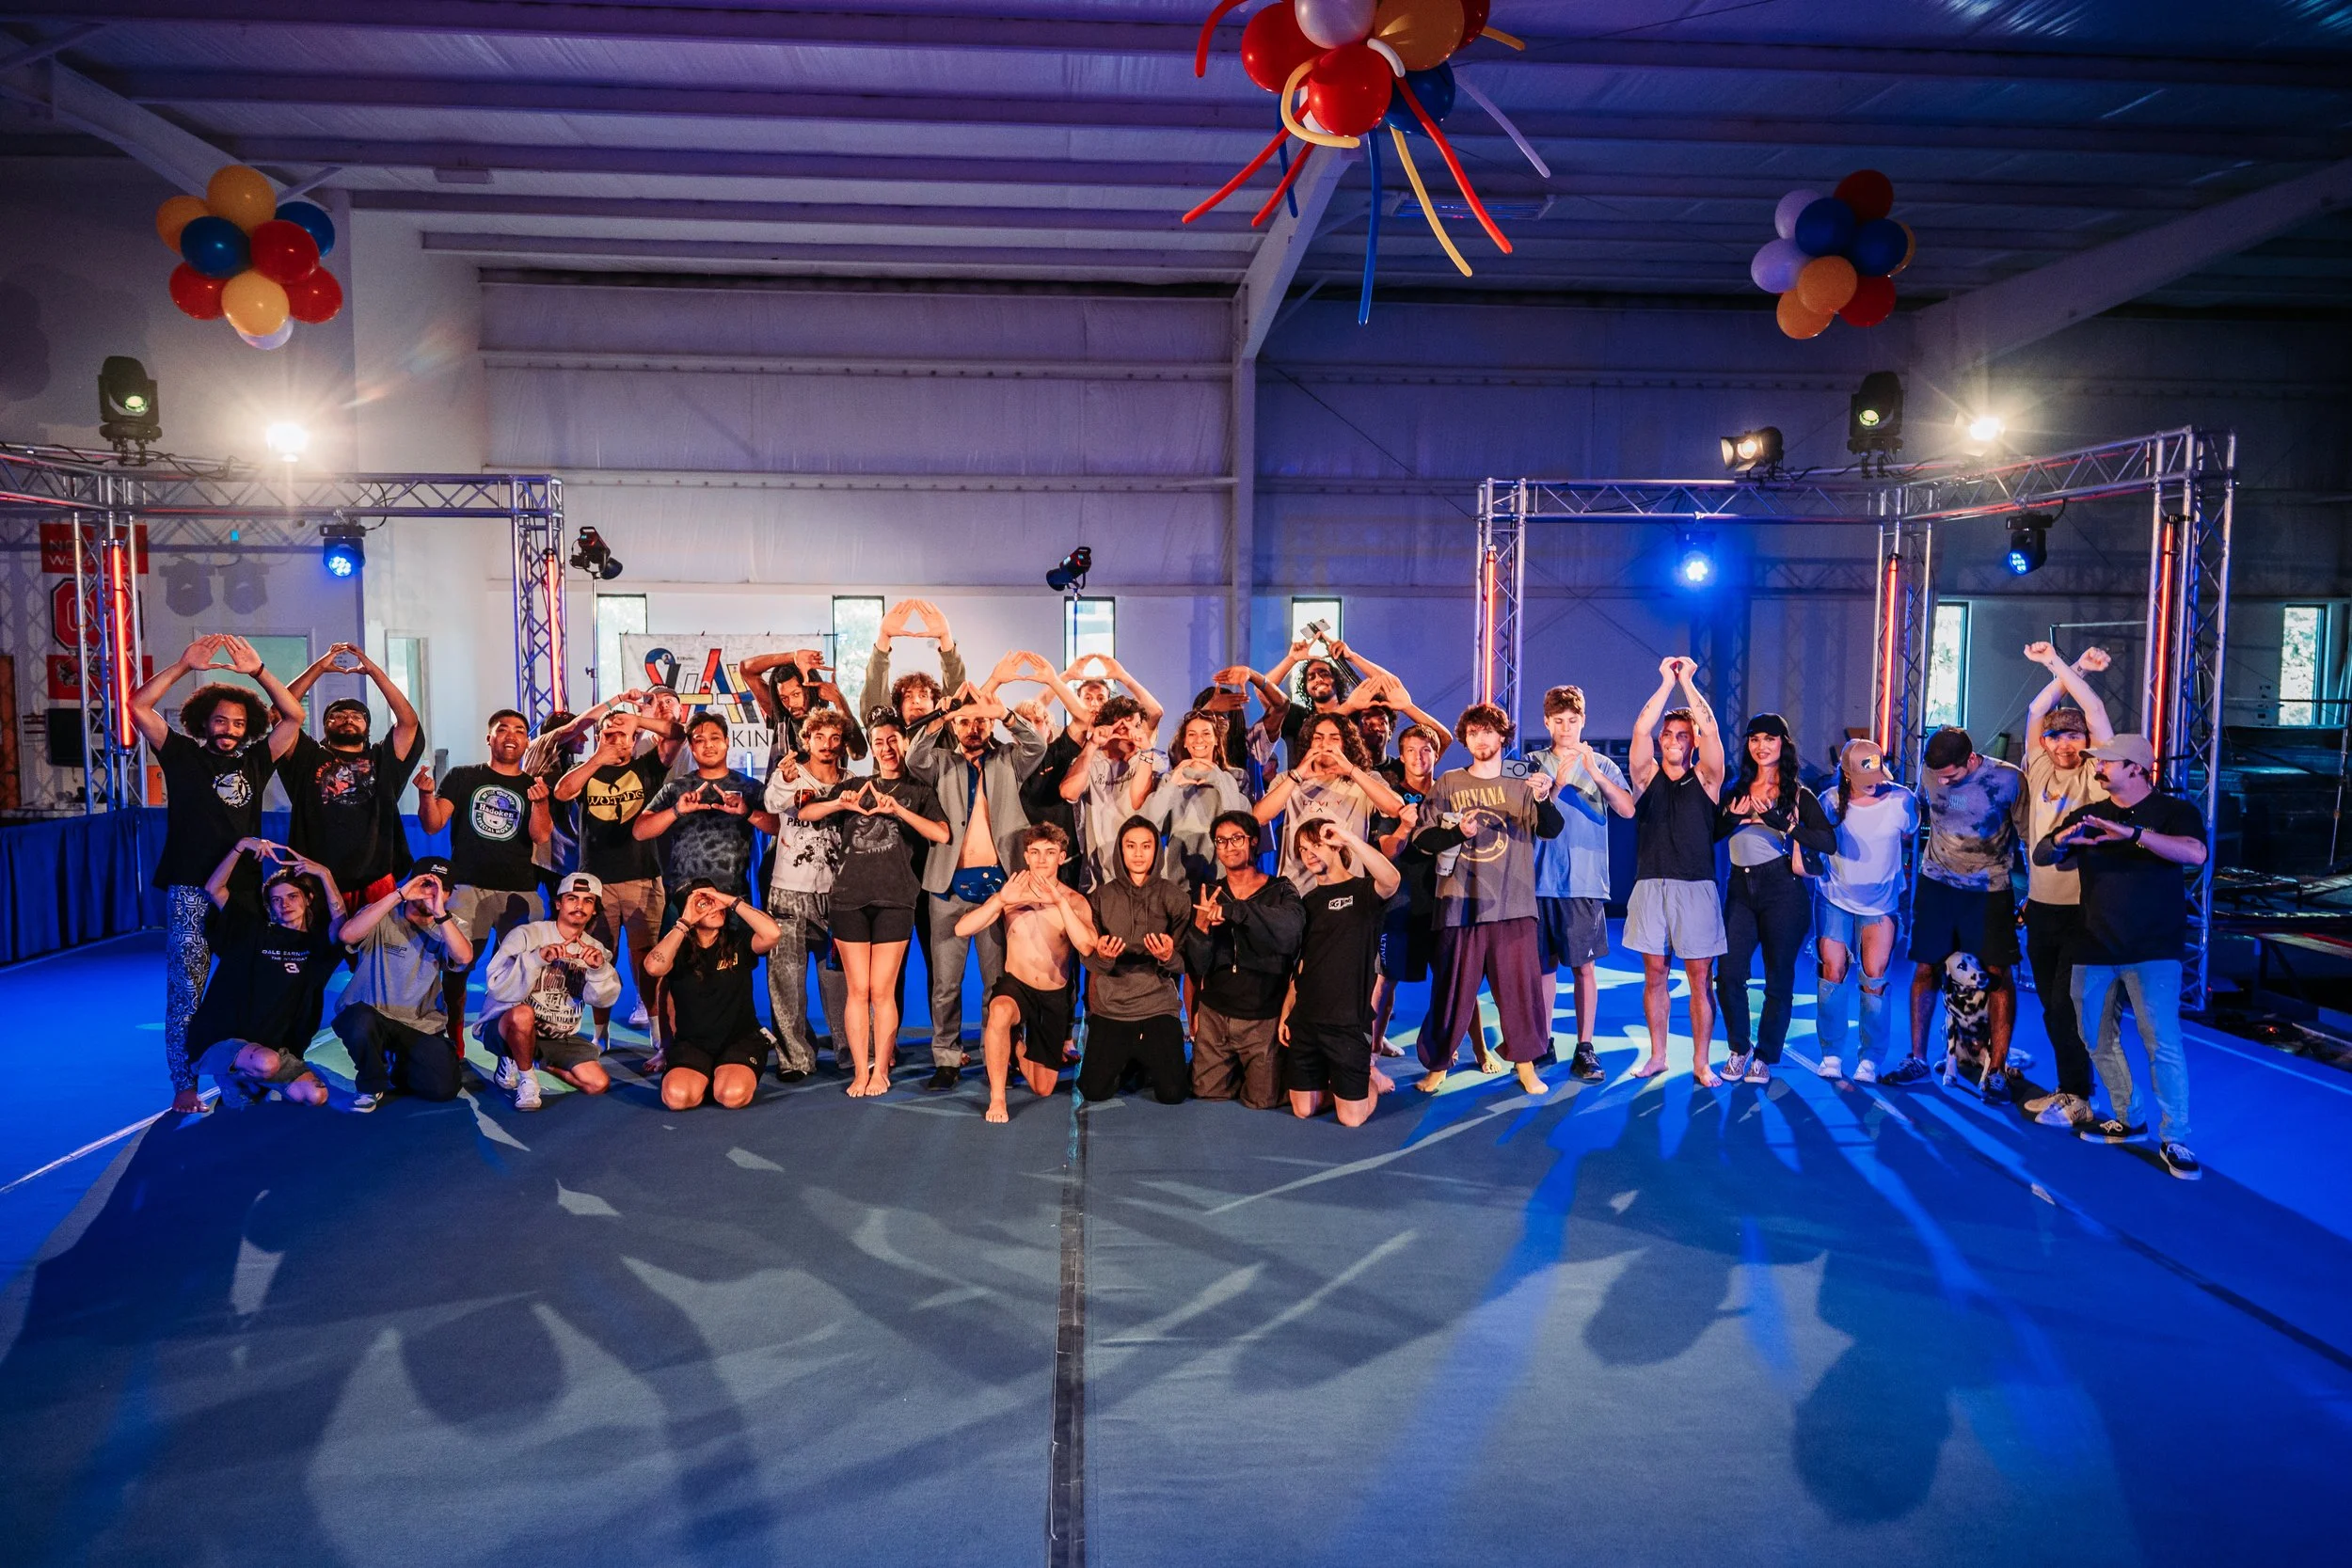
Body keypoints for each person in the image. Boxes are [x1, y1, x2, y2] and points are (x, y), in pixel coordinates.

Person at [130, 633, 308, 1114]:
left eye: (239, 722)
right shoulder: (181, 753)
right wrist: (184, 665)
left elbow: (294, 716)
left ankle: (240, 1072)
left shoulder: (256, 760)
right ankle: (185, 1083)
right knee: (186, 990)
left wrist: (259, 672)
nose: (229, 729)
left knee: (243, 987)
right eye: (221, 720)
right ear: (204, 722)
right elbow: (139, 706)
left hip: (243, 893)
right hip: (191, 891)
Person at [2032, 734, 2208, 1179]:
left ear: (2136, 768)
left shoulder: (2173, 811)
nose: (2098, 767)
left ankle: (2176, 1137)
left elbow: (2195, 853)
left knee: (2161, 1043)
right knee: (2094, 1038)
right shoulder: (2091, 814)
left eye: (2107, 762)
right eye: (2098, 761)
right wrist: (2066, 838)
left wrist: (2133, 834)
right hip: (2093, 945)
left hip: (2154, 949)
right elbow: (2043, 853)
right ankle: (2129, 1118)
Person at [905, 657, 1057, 1089]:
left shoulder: (1009, 759)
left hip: (1000, 886)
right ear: (955, 726)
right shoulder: (940, 763)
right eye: (966, 722)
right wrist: (941, 714)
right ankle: (947, 1058)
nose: (973, 728)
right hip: (947, 887)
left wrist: (1003, 713)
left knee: (997, 982)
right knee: (946, 983)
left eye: (980, 721)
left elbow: (1037, 745)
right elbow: (914, 756)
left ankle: (999, 1054)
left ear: (989, 724)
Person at [1409, 703, 1565, 1099]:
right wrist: (1457, 834)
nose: (1481, 739)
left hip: (1514, 903)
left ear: (1503, 736)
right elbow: (1423, 840)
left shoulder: (1523, 778)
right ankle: (1438, 1065)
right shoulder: (1448, 783)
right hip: (1458, 903)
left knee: (1520, 992)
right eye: (1473, 732)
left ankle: (1525, 1065)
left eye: (1488, 731)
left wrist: (1544, 797)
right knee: (1450, 992)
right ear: (1465, 739)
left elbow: (1552, 829)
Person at [800, 734, 950, 1095]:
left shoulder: (918, 790)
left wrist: (898, 810)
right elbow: (806, 813)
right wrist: (839, 804)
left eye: (894, 740)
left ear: (905, 744)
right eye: (880, 742)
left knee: (882, 991)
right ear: (872, 747)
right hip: (848, 899)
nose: (887, 748)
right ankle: (860, 1070)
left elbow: (942, 834)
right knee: (858, 989)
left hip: (896, 899)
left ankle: (881, 1070)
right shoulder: (853, 785)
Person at [2014, 642, 2116, 1128]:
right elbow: (2037, 709)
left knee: (2065, 1005)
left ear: (2087, 741)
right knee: (2051, 1009)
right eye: (2055, 737)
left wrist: (2058, 663)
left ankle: (2079, 1095)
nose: (2063, 746)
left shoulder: (2097, 774)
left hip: (2082, 911)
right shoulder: (2038, 769)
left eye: (2073, 737)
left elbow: (2093, 710)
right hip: (2041, 908)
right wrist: (2075, 668)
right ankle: (2068, 1089)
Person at [1898, 725, 2026, 1086]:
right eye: (1937, 775)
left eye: (1951, 776)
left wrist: (2033, 892)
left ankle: (1996, 1070)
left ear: (1971, 759)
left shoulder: (2008, 779)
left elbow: (2030, 836)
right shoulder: (1930, 772)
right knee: (1926, 968)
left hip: (1989, 889)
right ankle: (1917, 1058)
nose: (1943, 782)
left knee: (1997, 974)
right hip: (1936, 885)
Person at [1713, 714, 1837, 1086]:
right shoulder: (1735, 789)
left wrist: (1785, 824)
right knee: (1729, 973)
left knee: (1778, 978)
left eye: (1769, 739)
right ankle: (1739, 1048)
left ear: (1783, 743)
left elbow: (1828, 842)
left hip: (1782, 887)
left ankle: (1765, 1055)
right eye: (1754, 739)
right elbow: (1712, 833)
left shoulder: (1798, 794)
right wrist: (1731, 819)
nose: (1761, 746)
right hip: (1740, 886)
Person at [415, 708, 552, 1044]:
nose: (511, 735)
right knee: (457, 966)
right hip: (467, 887)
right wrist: (425, 795)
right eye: (502, 729)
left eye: (519, 730)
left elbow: (541, 835)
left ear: (527, 741)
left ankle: (507, 1039)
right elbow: (433, 824)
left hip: (519, 890)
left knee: (517, 972)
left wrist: (542, 803)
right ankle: (453, 1035)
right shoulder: (463, 777)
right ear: (489, 738)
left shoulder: (533, 787)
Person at [1625, 656, 1729, 1083]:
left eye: (1682, 735)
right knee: (1655, 975)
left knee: (1700, 978)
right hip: (1650, 885)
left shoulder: (1707, 778)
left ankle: (1701, 1062)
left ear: (1693, 742)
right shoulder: (1645, 776)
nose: (1672, 740)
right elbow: (1640, 730)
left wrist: (1687, 680)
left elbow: (1712, 731)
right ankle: (1659, 1056)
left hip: (1696, 886)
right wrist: (1665, 683)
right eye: (1668, 734)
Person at [953, 824, 1100, 1123]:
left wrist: (1059, 903)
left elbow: (1087, 946)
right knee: (999, 1012)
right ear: (1026, 856)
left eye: (1050, 852)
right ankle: (997, 1098)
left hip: (1053, 993)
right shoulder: (1011, 894)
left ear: (1062, 857)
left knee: (1042, 1088)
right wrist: (1000, 900)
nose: (1042, 859)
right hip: (1016, 985)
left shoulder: (1074, 901)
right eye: (1035, 852)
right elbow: (961, 929)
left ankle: (1017, 1043)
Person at [186, 837, 345, 1110]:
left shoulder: (317, 946)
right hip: (222, 1038)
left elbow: (341, 924)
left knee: (315, 1096)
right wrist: (240, 846)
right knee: (267, 1063)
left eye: (292, 896)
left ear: (308, 899)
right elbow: (215, 889)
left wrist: (325, 874)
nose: (285, 904)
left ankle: (251, 1079)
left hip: (276, 1048)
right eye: (276, 900)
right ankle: (231, 1074)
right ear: (270, 906)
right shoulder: (253, 931)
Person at [1525, 686, 1634, 1083]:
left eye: (1572, 720)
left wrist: (1593, 773)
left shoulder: (1602, 763)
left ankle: (1585, 1047)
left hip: (1585, 882)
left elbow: (1627, 809)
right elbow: (1527, 817)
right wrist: (1557, 784)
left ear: (1583, 721)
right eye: (1558, 721)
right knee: (1544, 968)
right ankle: (1543, 1040)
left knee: (1584, 968)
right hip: (1539, 880)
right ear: (1546, 722)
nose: (1566, 727)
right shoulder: (1533, 763)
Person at [555, 706, 670, 1049]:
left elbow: (676, 733)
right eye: (609, 733)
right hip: (596, 882)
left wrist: (639, 721)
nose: (617, 739)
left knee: (646, 958)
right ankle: (600, 1032)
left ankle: (656, 1027)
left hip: (642, 877)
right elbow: (562, 792)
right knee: (598, 958)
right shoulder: (585, 770)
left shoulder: (646, 767)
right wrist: (599, 758)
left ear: (634, 739)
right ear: (597, 737)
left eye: (624, 733)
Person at [278, 641, 425, 904]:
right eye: (338, 715)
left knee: (377, 934)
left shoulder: (382, 759)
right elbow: (279, 713)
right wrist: (319, 668)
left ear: (367, 727)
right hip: (313, 878)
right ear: (325, 726)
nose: (348, 719)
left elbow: (408, 722)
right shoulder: (307, 756)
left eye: (357, 716)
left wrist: (374, 672)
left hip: (375, 878)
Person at [1280, 817, 1403, 1125]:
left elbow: (1392, 880)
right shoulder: (1308, 902)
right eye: (1302, 849)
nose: (1309, 853)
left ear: (1336, 846)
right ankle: (1338, 1081)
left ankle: (1370, 1079)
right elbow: (1303, 963)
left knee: (1351, 1119)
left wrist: (1349, 837)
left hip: (1348, 1023)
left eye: (1316, 845)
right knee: (1303, 1111)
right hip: (1307, 1020)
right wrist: (1287, 1010)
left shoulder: (1363, 892)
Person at [1812, 739, 1918, 1083]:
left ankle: (1870, 1058)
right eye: (1863, 777)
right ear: (1846, 774)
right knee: (1832, 972)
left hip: (1881, 904)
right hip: (1834, 898)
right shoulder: (1829, 802)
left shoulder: (1903, 800)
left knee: (1874, 977)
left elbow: (1908, 835)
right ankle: (1831, 1053)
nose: (1872, 783)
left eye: (1875, 774)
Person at [331, 856, 474, 1109]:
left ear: (449, 894)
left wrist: (440, 914)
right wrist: (399, 895)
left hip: (418, 1023)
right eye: (426, 885)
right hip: (371, 1013)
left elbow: (463, 957)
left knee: (444, 1088)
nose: (431, 894)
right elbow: (347, 935)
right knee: (359, 1022)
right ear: (411, 884)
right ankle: (371, 1084)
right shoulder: (382, 913)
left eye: (441, 889)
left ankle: (397, 1065)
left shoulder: (450, 925)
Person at [1184, 810, 1307, 1107]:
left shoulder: (1280, 889)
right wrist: (1200, 932)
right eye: (1221, 841)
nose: (1229, 846)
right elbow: (1196, 965)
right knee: (1206, 1093)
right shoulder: (1208, 894)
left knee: (1262, 1101)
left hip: (1262, 1016)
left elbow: (1291, 933)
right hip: (1216, 1015)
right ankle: (1233, 1068)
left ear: (1253, 841)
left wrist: (1236, 911)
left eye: (1237, 838)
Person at [478, 871, 623, 1111]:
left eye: (588, 901)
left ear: (594, 910)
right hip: (508, 1027)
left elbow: (603, 1000)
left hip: (557, 1035)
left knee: (598, 1084)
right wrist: (536, 959)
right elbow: (497, 987)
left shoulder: (596, 949)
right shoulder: (527, 935)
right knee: (523, 1014)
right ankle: (526, 1079)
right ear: (558, 904)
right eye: (572, 898)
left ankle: (538, 1062)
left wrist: (598, 970)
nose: (580, 906)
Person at [762, 707, 851, 1080]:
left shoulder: (853, 782)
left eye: (834, 738)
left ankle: (851, 1051)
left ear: (842, 743)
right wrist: (785, 780)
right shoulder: (789, 775)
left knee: (841, 980)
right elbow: (770, 804)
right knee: (786, 980)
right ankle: (795, 1059)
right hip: (788, 890)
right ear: (807, 741)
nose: (827, 745)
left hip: (838, 893)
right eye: (819, 738)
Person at [642, 880, 786, 1111]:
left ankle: (720, 1076)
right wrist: (684, 922)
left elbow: (773, 933)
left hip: (739, 1040)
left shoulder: (738, 941)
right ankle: (706, 1076)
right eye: (703, 903)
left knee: (732, 1095)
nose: (713, 907)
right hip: (693, 1043)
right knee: (676, 1098)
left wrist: (731, 901)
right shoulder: (677, 948)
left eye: (715, 900)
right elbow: (653, 967)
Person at [1080, 816, 1194, 1104]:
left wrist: (1168, 956)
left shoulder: (1175, 897)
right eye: (1131, 846)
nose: (1139, 853)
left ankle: (1144, 1058)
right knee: (1094, 1091)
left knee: (1173, 1095)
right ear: (1121, 850)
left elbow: (1188, 962)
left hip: (1157, 1006)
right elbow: (1089, 961)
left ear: (1157, 850)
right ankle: (1132, 1060)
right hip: (1112, 1007)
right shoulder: (1101, 897)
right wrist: (1103, 957)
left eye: (1146, 846)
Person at [635, 713, 776, 927]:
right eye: (700, 740)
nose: (708, 745)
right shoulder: (676, 789)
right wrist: (676, 811)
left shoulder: (750, 788)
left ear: (727, 742)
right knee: (680, 949)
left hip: (734, 900)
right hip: (683, 899)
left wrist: (747, 812)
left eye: (715, 738)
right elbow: (640, 831)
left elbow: (777, 827)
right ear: (692, 747)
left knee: (735, 950)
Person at [1255, 713, 1404, 889]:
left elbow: (1396, 808)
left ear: (1346, 744)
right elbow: (1259, 817)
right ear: (1309, 743)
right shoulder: (1287, 779)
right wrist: (1297, 776)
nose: (1325, 744)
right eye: (1318, 738)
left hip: (1348, 890)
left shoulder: (1365, 779)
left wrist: (1351, 770)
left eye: (1334, 738)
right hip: (1297, 890)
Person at [1370, 721, 1447, 1056]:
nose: (1418, 757)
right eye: (1411, 751)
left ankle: (1468, 1048)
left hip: (1443, 900)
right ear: (1400, 756)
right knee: (1386, 979)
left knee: (1452, 979)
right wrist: (1404, 826)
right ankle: (1372, 1050)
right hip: (1400, 903)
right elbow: (1387, 850)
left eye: (1425, 750)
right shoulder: (1391, 797)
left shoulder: (1449, 792)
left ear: (1436, 755)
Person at [1061, 693, 1167, 888]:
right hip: (1101, 875)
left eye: (1136, 726)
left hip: (1144, 873)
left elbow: (1138, 800)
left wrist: (1146, 752)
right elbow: (1069, 792)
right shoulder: (1090, 761)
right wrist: (1092, 744)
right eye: (1123, 728)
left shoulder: (1152, 759)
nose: (1131, 733)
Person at [1143, 709, 1254, 884]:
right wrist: (1172, 785)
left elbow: (1239, 823)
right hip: (1177, 876)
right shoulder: (1170, 778)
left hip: (1221, 876)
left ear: (1216, 739)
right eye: (1192, 734)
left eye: (1206, 733)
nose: (1199, 740)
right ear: (1185, 742)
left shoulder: (1233, 777)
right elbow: (1150, 823)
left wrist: (1218, 778)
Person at [863, 597, 967, 728]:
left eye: (923, 695)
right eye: (908, 696)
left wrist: (945, 637)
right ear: (899, 707)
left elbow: (955, 685)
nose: (916, 701)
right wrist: (884, 637)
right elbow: (874, 701)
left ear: (935, 704)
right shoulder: (891, 735)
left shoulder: (949, 731)